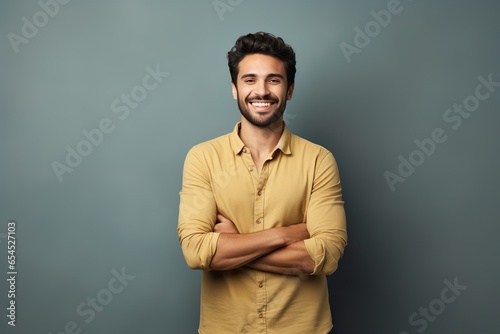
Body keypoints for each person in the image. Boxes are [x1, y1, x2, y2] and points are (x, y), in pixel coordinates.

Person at [177, 31, 347, 334]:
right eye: (250, 79)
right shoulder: (202, 158)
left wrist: (233, 244)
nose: (262, 91)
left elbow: (327, 255)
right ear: (234, 89)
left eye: (274, 80)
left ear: (290, 90)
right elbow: (196, 251)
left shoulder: (319, 160)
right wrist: (287, 234)